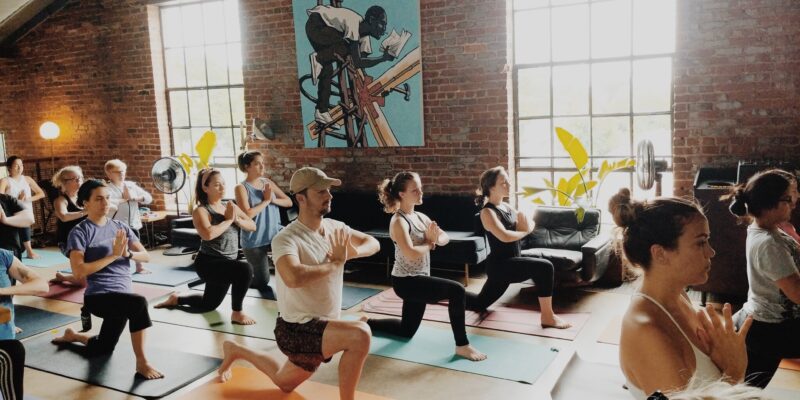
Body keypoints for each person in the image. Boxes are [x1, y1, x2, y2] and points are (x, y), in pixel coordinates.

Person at [217, 167, 380, 400]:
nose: (329, 196)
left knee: (283, 383)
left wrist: (352, 253)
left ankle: (236, 350)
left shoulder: (335, 227)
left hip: (323, 326)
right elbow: (293, 277)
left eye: (328, 190)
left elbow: (372, 242)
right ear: (301, 198)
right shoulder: (286, 238)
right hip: (297, 330)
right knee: (360, 334)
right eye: (320, 191)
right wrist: (335, 263)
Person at [609, 188, 752, 398]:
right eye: (700, 242)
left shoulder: (678, 296)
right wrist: (734, 372)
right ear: (660, 254)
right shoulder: (645, 331)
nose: (711, 252)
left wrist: (723, 363)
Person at [363, 171, 486, 361]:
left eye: (420, 188)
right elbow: (410, 252)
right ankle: (462, 345)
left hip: (419, 278)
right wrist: (429, 243)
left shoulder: (420, 217)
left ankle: (367, 322)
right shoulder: (398, 222)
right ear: (402, 194)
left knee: (406, 330)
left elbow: (444, 237)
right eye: (415, 190)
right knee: (457, 291)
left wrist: (436, 238)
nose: (421, 192)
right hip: (406, 281)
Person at [50, 179, 163, 380]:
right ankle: (142, 363)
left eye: (108, 198)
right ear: (85, 203)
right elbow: (79, 272)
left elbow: (146, 256)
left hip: (122, 295)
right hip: (98, 296)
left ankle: (73, 336)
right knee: (139, 303)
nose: (105, 203)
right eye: (99, 199)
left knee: (103, 348)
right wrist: (113, 256)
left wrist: (127, 254)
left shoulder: (120, 226)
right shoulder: (80, 232)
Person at [466, 166, 570, 329]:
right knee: (545, 267)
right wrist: (524, 231)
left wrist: (525, 227)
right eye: (503, 182)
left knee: (479, 303)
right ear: (491, 187)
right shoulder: (487, 213)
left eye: (508, 181)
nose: (509, 185)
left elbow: (531, 222)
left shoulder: (506, 207)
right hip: (500, 267)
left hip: (512, 263)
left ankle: (452, 292)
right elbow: (505, 236)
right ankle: (547, 317)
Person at [726, 169, 800, 389]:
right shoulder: (769, 243)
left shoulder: (767, 230)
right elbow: (798, 294)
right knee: (747, 390)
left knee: (748, 387)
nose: (795, 202)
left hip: (761, 320)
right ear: (770, 204)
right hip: (771, 329)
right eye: (789, 198)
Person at [155, 168, 258, 325]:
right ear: (205, 188)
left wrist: (237, 220)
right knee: (245, 269)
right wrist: (228, 220)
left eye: (223, 183)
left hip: (227, 262)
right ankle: (237, 313)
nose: (222, 187)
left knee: (208, 305)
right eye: (217, 185)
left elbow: (252, 225)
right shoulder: (201, 211)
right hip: (208, 263)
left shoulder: (230, 206)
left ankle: (176, 299)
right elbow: (208, 235)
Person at [305, 4, 394, 124]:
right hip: (317, 25)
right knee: (348, 48)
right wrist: (382, 58)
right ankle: (319, 58)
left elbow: (361, 63)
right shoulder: (354, 22)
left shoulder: (365, 39)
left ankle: (321, 111)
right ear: (372, 20)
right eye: (382, 24)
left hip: (329, 34)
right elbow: (357, 61)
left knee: (327, 70)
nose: (384, 29)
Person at [234, 151, 292, 296]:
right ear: (247, 167)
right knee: (262, 282)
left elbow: (288, 202)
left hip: (275, 235)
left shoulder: (268, 183)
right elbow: (247, 214)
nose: (262, 166)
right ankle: (238, 277)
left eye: (262, 163)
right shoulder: (241, 188)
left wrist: (273, 200)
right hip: (254, 240)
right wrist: (266, 201)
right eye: (257, 164)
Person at [0, 248, 49, 399]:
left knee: (11, 350)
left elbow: (41, 286)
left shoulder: (3, 256)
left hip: (5, 339)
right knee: (12, 351)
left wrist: (2, 291)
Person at [49, 165, 92, 330]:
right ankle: (63, 278)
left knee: (90, 278)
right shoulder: (61, 200)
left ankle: (65, 277)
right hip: (68, 243)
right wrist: (85, 212)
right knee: (84, 283)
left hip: (86, 241)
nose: (78, 181)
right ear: (64, 183)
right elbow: (64, 216)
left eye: (80, 178)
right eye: (74, 179)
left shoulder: (84, 198)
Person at [104, 159, 153, 274]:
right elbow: (108, 203)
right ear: (109, 174)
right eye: (118, 172)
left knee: (136, 245)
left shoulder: (130, 185)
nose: (121, 174)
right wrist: (124, 199)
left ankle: (139, 267)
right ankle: (115, 270)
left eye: (123, 171)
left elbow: (148, 198)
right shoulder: (106, 188)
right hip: (116, 224)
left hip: (133, 222)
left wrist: (134, 198)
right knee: (117, 248)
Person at [0, 156, 46, 259]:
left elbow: (41, 193)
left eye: (21, 165)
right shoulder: (5, 181)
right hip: (11, 212)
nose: (20, 168)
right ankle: (27, 251)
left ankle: (29, 251)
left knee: (25, 228)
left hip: (25, 210)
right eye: (16, 165)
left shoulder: (27, 179)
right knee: (16, 241)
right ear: (9, 168)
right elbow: (1, 198)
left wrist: (27, 199)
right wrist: (18, 200)